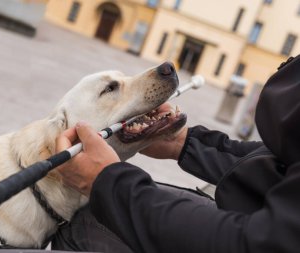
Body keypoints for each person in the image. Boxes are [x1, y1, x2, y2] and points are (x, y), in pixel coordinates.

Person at [53, 54, 300, 253]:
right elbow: (283, 163)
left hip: (256, 235)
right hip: (260, 216)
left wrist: (109, 185)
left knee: (86, 224)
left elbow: (267, 242)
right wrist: (186, 143)